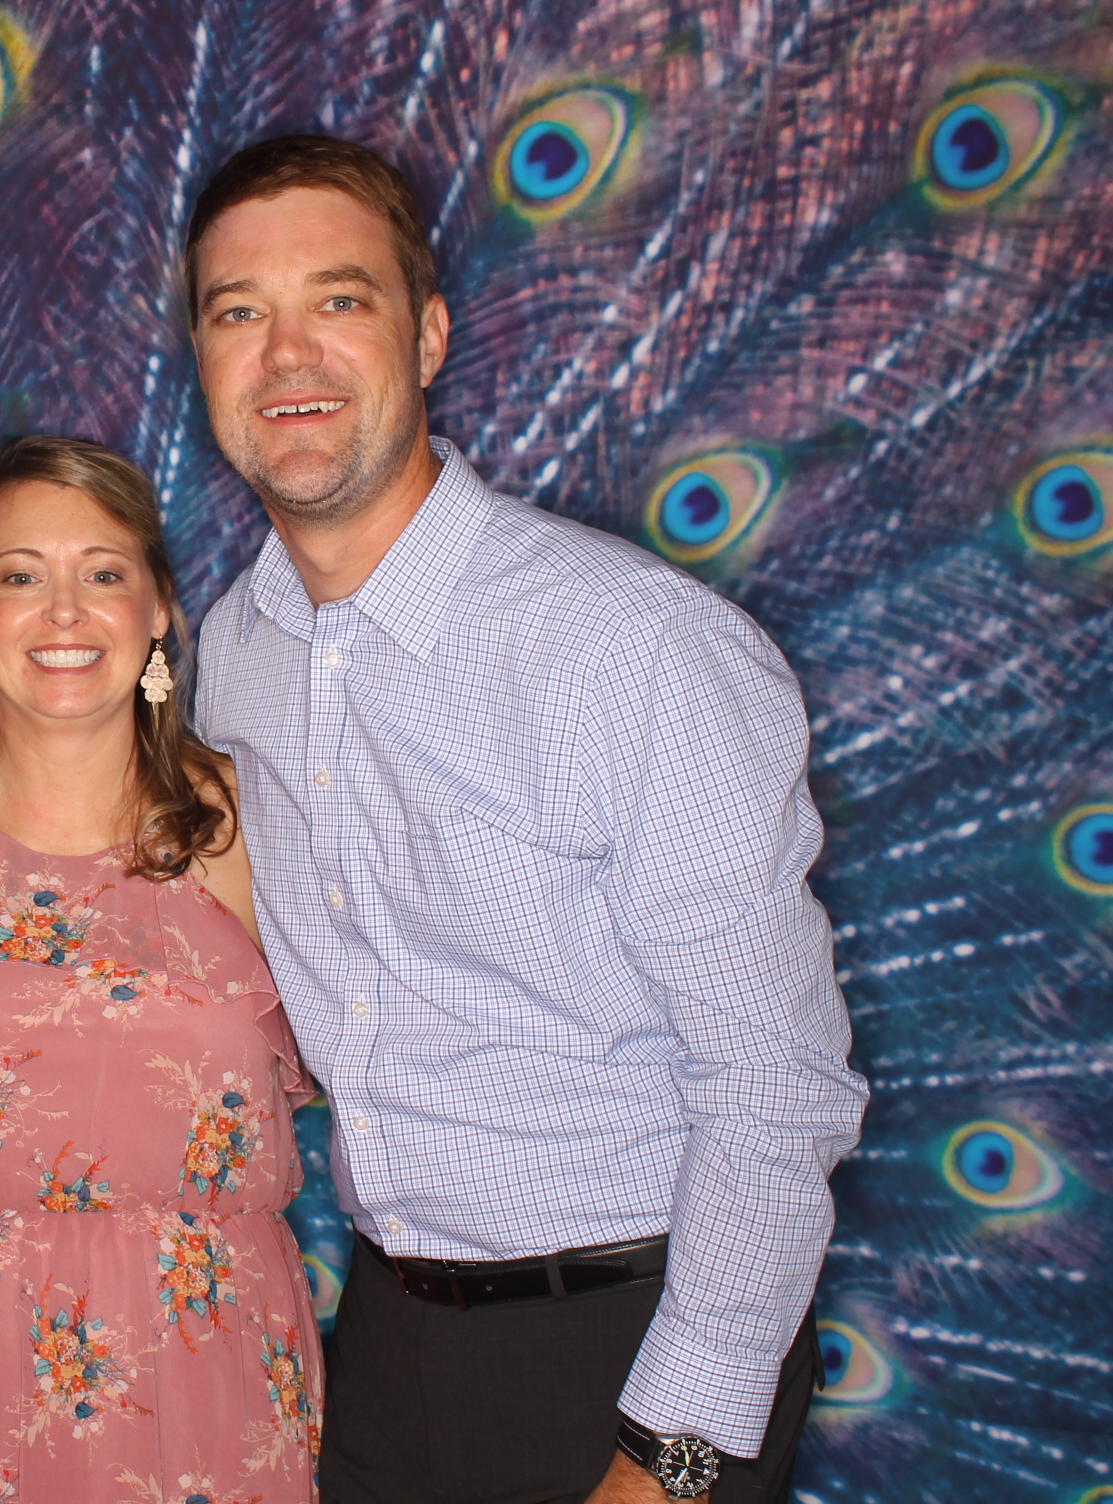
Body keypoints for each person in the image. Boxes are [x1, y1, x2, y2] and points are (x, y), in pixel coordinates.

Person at [184, 134, 870, 1504]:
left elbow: (772, 1092)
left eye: (340, 299)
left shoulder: (633, 648)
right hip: (384, 1342)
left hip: (632, 1345)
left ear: (428, 335)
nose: (287, 353)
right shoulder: (232, 654)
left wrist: (674, 1455)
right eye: (237, 313)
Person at [0, 436, 322, 1502]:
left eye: (103, 573)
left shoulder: (253, 818)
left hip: (207, 1374)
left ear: (159, 606)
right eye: (21, 576)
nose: (66, 612)